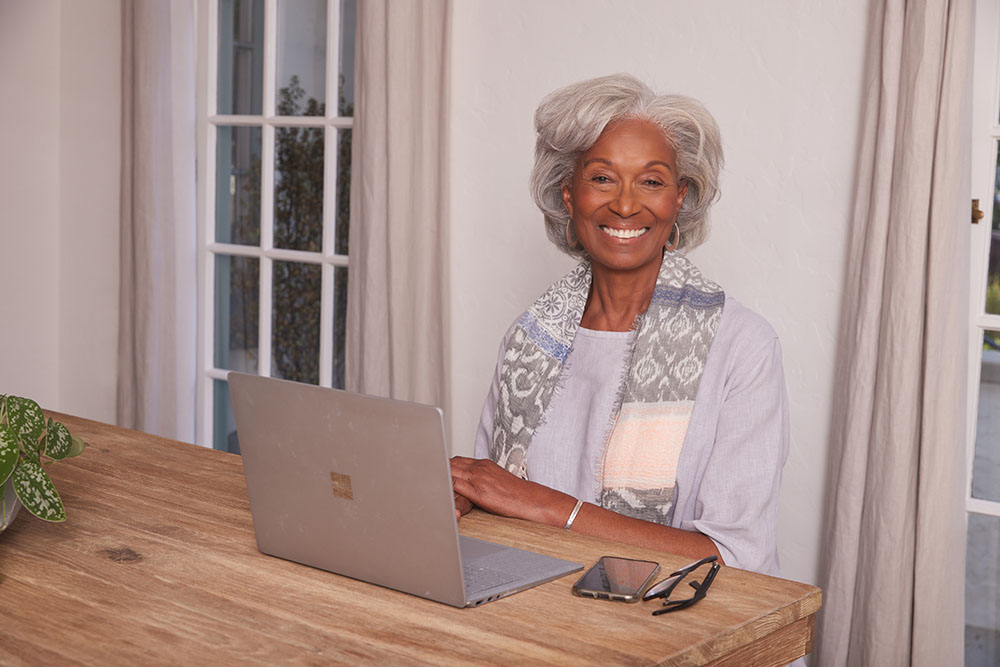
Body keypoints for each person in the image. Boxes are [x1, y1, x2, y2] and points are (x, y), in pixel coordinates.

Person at [449, 73, 789, 576]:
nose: (626, 205)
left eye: (651, 181)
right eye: (603, 178)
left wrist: (550, 507)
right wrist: (461, 500)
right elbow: (494, 503)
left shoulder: (742, 347)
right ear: (569, 196)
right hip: (536, 609)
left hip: (675, 616)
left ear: (680, 198)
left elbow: (738, 560)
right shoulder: (531, 338)